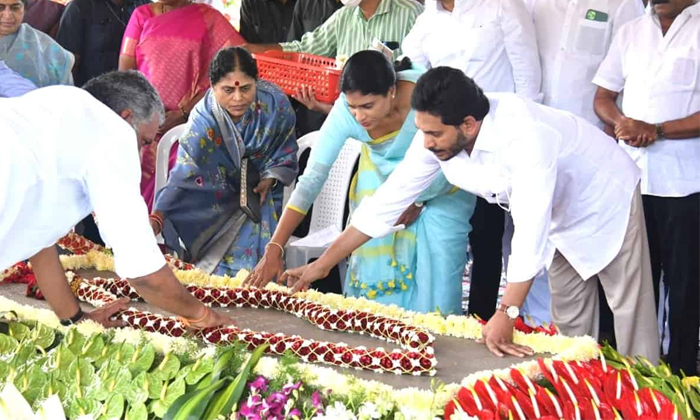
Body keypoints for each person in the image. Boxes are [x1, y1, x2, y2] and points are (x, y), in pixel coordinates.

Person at [283, 67, 661, 362]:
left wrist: (507, 312)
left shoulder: (525, 136)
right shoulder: (434, 133)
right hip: (559, 216)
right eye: (423, 132)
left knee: (630, 311)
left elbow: (529, 230)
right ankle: (578, 394)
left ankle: (651, 397)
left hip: (604, 198)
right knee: (570, 322)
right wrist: (321, 265)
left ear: (469, 124)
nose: (426, 143)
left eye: (434, 135)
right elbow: (386, 203)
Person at [246, 51, 475, 315]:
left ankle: (437, 348)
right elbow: (311, 181)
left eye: (367, 106)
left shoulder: (425, 100)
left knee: (440, 271)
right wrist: (274, 247)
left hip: (444, 182)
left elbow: (455, 149)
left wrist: (420, 199)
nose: (359, 116)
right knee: (374, 266)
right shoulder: (346, 110)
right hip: (381, 181)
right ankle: (379, 351)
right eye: (352, 107)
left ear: (391, 91)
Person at [0, 71, 230, 330]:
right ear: (126, 117)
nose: (142, 154)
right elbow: (144, 272)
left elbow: (39, 241)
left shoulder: (55, 105)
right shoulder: (112, 132)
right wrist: (202, 316)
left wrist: (76, 320)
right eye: (144, 142)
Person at [400, 0, 541, 322]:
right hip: (449, 144)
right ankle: (451, 317)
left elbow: (528, 81)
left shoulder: (504, 8)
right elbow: (419, 68)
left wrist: (520, 139)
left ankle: (486, 317)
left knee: (489, 237)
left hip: (495, 142)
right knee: (452, 231)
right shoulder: (428, 18)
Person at [593, 0, 699, 374]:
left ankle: (684, 375)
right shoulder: (632, 32)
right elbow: (603, 97)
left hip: (687, 184)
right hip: (631, 180)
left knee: (686, 287)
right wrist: (622, 122)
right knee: (635, 283)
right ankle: (634, 372)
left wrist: (657, 130)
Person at [150, 47, 298, 276]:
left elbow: (284, 149)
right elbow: (183, 174)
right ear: (212, 86)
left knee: (254, 267)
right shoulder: (203, 119)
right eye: (227, 90)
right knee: (217, 276)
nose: (238, 99)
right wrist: (158, 216)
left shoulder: (275, 104)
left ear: (256, 81)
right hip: (215, 201)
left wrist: (270, 176)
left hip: (260, 196)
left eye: (246, 89)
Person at [119, 0, 245, 211]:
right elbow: (124, 74)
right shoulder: (142, 16)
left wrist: (184, 113)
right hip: (141, 130)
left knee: (175, 204)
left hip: (187, 130)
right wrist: (145, 116)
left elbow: (238, 65)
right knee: (132, 208)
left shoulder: (209, 19)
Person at [246, 0, 424, 115]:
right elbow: (305, 49)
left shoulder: (410, 13)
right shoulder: (344, 16)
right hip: (347, 118)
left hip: (394, 124)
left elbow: (421, 73)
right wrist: (252, 50)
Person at [56, 0, 150, 87]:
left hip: (134, 94)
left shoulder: (147, 8)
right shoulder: (79, 7)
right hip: (90, 95)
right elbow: (67, 66)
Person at [0, 0, 74, 87]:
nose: (8, 15)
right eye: (0, 8)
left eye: (15, 8)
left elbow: (67, 95)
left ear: (25, 9)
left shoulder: (49, 49)